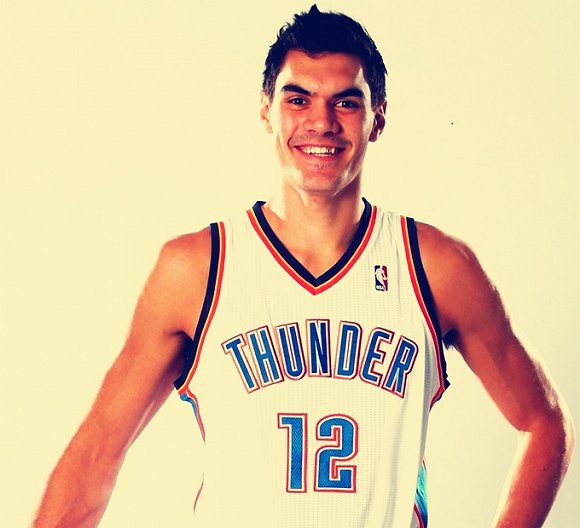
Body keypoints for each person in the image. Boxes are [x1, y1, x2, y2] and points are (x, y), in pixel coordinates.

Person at [33, 5, 574, 527]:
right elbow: (98, 452)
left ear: (378, 117)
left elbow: (544, 422)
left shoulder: (434, 266)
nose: (321, 122)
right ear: (266, 110)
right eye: (298, 99)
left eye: (346, 102)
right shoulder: (197, 269)